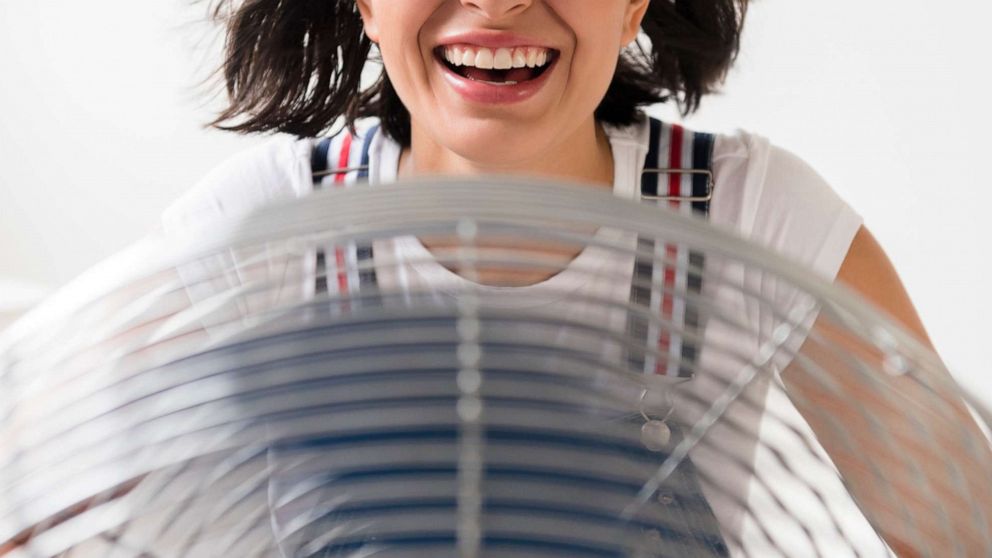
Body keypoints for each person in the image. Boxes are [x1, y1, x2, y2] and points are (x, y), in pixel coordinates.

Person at [161, 1, 992, 556]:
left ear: (634, 2)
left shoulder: (750, 215)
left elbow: (966, 530)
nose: (498, 0)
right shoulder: (259, 234)